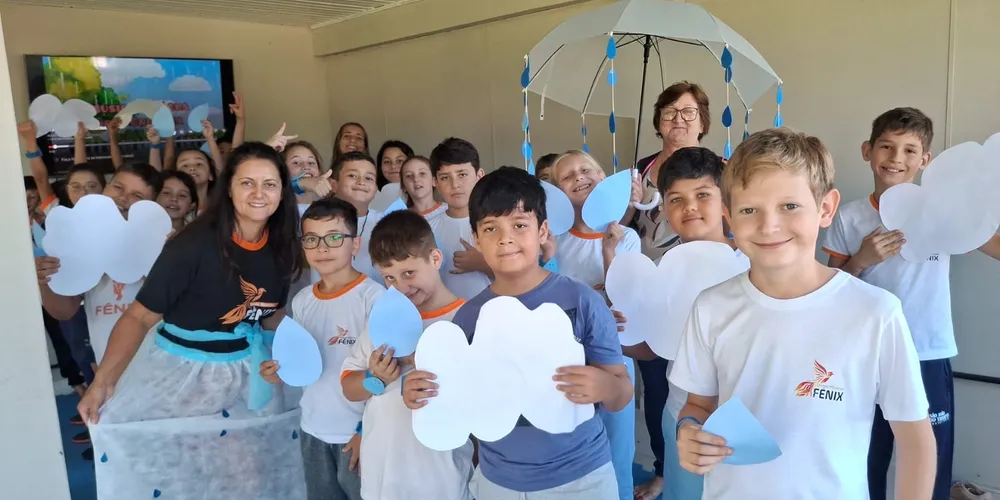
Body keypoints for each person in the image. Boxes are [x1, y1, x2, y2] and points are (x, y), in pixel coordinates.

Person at [670, 128, 936, 499]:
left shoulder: (875, 313)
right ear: (730, 217)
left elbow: (915, 438)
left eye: (789, 206)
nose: (769, 225)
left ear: (825, 208)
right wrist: (688, 430)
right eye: (749, 210)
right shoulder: (711, 307)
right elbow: (698, 404)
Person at [74, 142, 305, 499]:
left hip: (248, 375)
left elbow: (272, 315)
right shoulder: (191, 246)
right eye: (247, 183)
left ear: (281, 192)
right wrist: (102, 383)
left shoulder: (283, 246)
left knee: (250, 474)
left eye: (269, 184)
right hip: (183, 377)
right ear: (228, 188)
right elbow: (138, 317)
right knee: (184, 477)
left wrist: (296, 360)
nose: (259, 194)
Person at [403, 167, 632, 499]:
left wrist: (605, 385)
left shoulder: (582, 301)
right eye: (491, 228)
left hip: (582, 478)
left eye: (519, 225)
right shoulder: (468, 317)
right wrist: (422, 394)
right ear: (477, 238)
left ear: (542, 231)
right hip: (500, 481)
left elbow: (621, 393)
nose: (505, 238)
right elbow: (459, 398)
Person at [822, 107, 1000, 500]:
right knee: (866, 452)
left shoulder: (946, 214)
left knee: (929, 452)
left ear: (925, 160)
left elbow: (995, 246)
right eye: (886, 146)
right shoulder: (848, 217)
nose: (896, 158)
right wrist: (861, 261)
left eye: (908, 150)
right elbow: (829, 292)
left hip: (927, 351)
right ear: (868, 151)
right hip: (864, 354)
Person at [341, 210, 472, 500]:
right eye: (389, 277)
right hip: (382, 474)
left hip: (441, 476)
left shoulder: (467, 319)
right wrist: (374, 378)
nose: (400, 286)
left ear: (435, 259)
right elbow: (349, 388)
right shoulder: (381, 321)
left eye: (409, 273)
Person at [261, 197, 382, 500]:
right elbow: (307, 364)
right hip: (312, 430)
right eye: (312, 239)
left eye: (334, 238)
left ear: (355, 244)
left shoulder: (373, 298)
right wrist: (281, 372)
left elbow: (385, 375)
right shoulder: (302, 300)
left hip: (357, 435)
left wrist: (364, 431)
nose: (322, 248)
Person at [626, 81, 712, 500]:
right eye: (670, 111)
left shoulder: (723, 166)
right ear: (658, 121)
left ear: (703, 120)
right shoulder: (638, 170)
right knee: (659, 389)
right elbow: (622, 229)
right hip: (652, 294)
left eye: (688, 111)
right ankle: (664, 469)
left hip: (701, 288)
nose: (678, 119)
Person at [548, 150, 640, 500]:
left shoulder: (626, 237)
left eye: (586, 169)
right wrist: (545, 254)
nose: (579, 178)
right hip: (566, 357)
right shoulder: (553, 239)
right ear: (557, 192)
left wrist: (609, 255)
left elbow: (627, 304)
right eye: (568, 177)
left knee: (618, 440)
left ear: (604, 177)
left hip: (613, 356)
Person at [652, 146, 735, 500]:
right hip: (682, 411)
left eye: (703, 195)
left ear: (724, 200)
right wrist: (623, 327)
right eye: (676, 199)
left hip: (741, 413)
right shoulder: (663, 268)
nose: (689, 207)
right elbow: (652, 346)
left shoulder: (753, 260)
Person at [427, 138, 493, 300]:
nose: (455, 184)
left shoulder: (498, 223)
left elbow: (520, 277)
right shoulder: (427, 229)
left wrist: (482, 264)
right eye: (445, 177)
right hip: (445, 319)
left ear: (479, 175)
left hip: (492, 316)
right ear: (434, 181)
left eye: (462, 174)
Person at [328, 151, 383, 285]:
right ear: (333, 184)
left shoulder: (386, 223)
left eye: (369, 178)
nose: (361, 182)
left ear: (375, 189)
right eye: (352, 175)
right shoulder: (312, 219)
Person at [400, 156, 447, 220]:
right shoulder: (400, 219)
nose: (416, 179)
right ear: (403, 186)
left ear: (434, 181)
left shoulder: (448, 211)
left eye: (422, 173)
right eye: (409, 176)